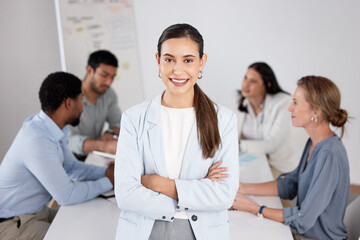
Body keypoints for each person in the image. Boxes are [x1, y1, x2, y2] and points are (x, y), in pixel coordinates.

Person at [114, 23, 239, 240]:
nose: (177, 70)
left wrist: (159, 184)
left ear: (202, 62)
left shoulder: (224, 120)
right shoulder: (134, 118)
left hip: (202, 233)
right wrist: (195, 193)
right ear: (158, 61)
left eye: (188, 60)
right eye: (169, 59)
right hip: (145, 230)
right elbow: (126, 194)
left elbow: (224, 195)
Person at [232, 76, 349, 240]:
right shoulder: (314, 143)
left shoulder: (329, 155)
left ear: (316, 111)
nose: (289, 108)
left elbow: (303, 218)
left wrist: (255, 208)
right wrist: (244, 188)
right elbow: (291, 184)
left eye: (295, 102)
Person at [0, 72, 114, 240]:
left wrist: (105, 173)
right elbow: (66, 195)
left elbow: (71, 168)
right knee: (81, 234)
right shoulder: (37, 140)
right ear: (69, 103)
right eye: (81, 100)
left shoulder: (48, 128)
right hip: (13, 225)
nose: (82, 107)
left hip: (37, 212)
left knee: (87, 221)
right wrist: (110, 181)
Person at [236, 62, 305, 178]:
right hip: (249, 162)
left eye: (253, 81)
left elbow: (272, 143)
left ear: (267, 85)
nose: (245, 84)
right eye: (245, 78)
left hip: (278, 167)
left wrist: (239, 145)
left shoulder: (283, 102)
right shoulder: (237, 98)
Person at [67, 50, 122, 159]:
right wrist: (103, 146)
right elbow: (68, 141)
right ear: (89, 70)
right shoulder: (69, 96)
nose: (109, 82)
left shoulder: (109, 94)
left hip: (94, 159)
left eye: (112, 77)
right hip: (70, 161)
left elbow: (119, 122)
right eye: (104, 75)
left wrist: (111, 132)